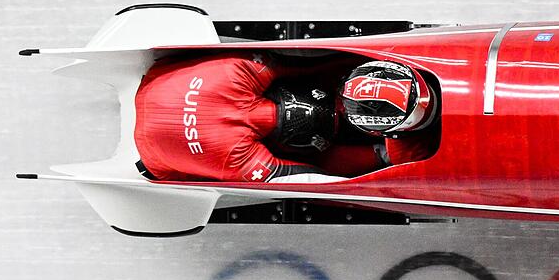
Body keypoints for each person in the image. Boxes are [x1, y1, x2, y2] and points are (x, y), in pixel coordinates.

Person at [133, 53, 436, 183]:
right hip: (155, 155)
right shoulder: (240, 157)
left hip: (158, 84)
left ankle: (384, 155)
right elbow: (315, 176)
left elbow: (312, 176)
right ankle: (384, 154)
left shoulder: (241, 72)